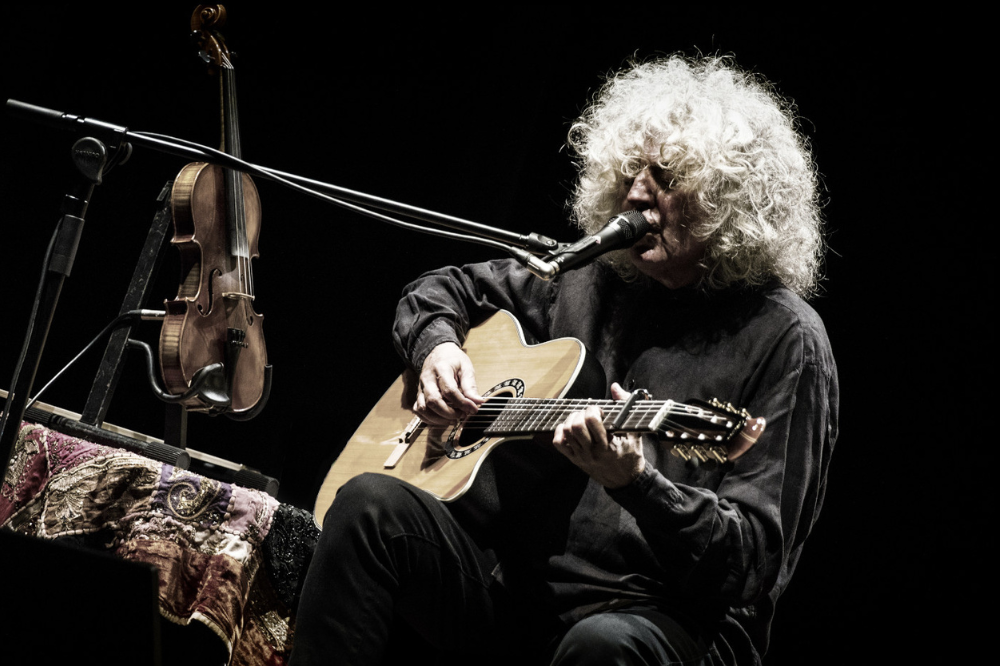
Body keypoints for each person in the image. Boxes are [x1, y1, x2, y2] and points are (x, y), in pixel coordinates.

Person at [291, 54, 838, 666]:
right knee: (368, 505)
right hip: (523, 595)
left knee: (600, 645)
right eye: (630, 171)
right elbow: (441, 290)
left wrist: (638, 484)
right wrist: (437, 347)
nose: (636, 192)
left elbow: (752, 560)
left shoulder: (787, 339)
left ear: (725, 198)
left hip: (668, 621)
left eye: (666, 176)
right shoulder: (592, 278)